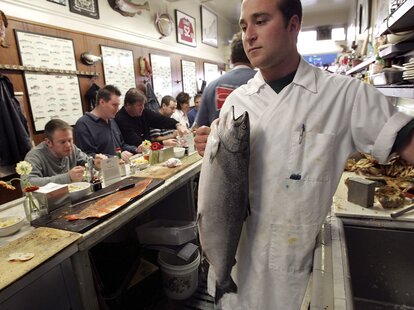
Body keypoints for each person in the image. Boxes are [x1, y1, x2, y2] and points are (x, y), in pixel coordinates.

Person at [195, 0, 414, 309]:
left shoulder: (343, 95)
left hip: (293, 278)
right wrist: (210, 151)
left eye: (260, 21)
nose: (249, 35)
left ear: (293, 25)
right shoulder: (237, 102)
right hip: (235, 271)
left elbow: (407, 141)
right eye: (244, 26)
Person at [193, 32, 256, 128]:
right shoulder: (263, 82)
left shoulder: (211, 86)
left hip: (216, 141)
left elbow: (199, 127)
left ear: (231, 58)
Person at [24, 119, 105, 187]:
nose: (68, 145)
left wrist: (95, 164)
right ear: (48, 142)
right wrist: (67, 177)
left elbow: (87, 162)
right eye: (62, 142)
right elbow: (28, 183)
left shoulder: (73, 149)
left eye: (70, 140)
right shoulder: (34, 156)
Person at [74, 85, 138, 162]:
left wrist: (136, 149)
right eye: (114, 105)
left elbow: (121, 146)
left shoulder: (111, 120)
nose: (117, 109)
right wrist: (117, 156)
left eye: (118, 105)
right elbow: (87, 156)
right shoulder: (83, 124)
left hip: (120, 167)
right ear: (102, 102)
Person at [115, 89, 188, 148]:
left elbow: (160, 119)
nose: (142, 107)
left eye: (143, 104)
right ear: (128, 104)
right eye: (139, 105)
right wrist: (162, 143)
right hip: (134, 154)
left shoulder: (143, 111)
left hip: (148, 150)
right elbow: (137, 142)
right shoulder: (121, 118)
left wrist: (177, 124)